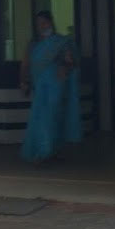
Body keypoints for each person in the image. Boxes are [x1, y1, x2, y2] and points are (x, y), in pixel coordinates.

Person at [20, 10, 82, 162]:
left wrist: (65, 67)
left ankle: (50, 150)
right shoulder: (33, 43)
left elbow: (71, 62)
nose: (41, 26)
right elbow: (26, 64)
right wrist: (24, 81)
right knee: (40, 118)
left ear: (51, 22)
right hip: (39, 87)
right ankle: (42, 150)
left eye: (44, 22)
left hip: (55, 86)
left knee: (52, 117)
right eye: (38, 24)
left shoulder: (60, 42)